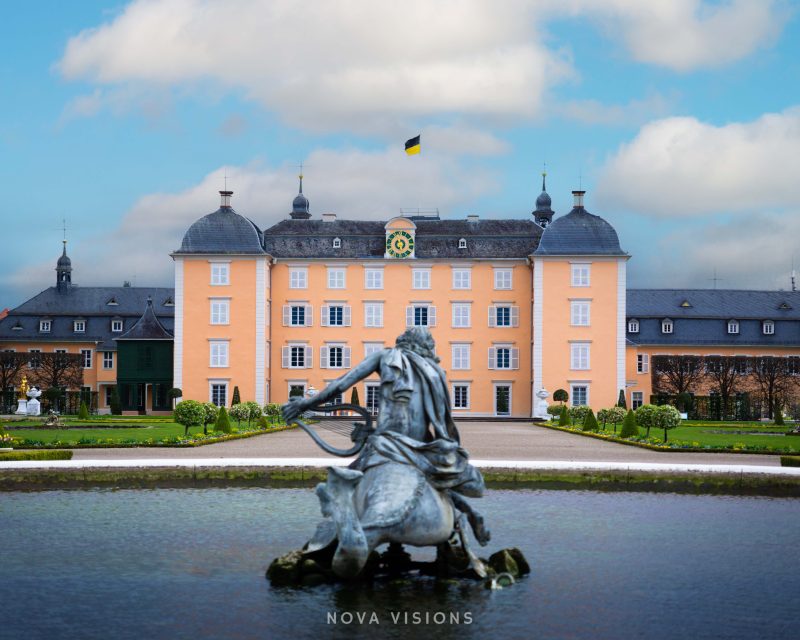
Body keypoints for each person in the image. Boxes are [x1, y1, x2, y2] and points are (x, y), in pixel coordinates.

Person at [283, 327, 489, 544]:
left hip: (387, 443)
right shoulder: (435, 371)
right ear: (427, 346)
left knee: (346, 480)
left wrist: (306, 403)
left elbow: (342, 384)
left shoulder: (384, 356)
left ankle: (338, 516)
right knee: (453, 481)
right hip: (425, 449)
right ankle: (468, 511)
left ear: (402, 341)